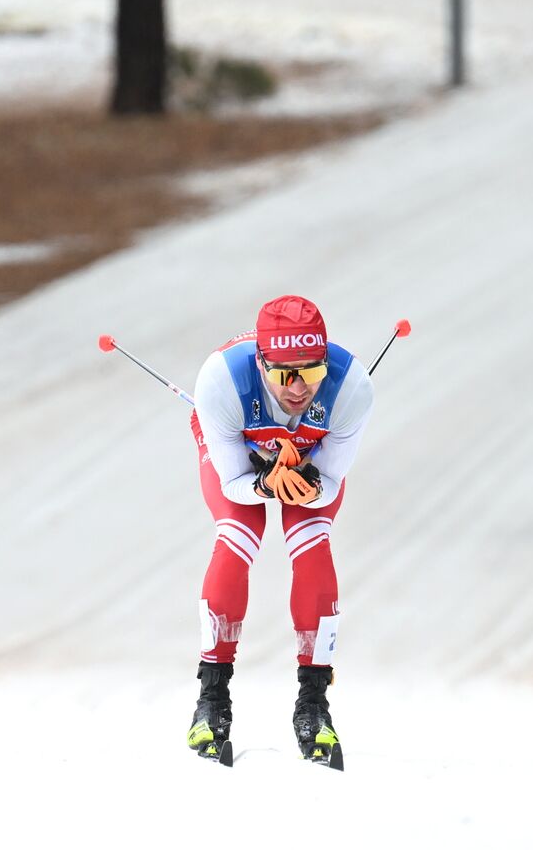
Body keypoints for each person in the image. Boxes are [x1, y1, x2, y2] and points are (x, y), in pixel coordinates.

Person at [185, 295, 374, 765]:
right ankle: (211, 701)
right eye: (284, 374)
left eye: (311, 373)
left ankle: (313, 707)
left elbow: (329, 486)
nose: (297, 389)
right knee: (236, 536)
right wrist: (266, 482)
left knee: (312, 543)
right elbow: (233, 482)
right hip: (242, 456)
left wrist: (310, 485)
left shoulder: (351, 387)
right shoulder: (221, 380)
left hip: (308, 453)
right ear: (260, 362)